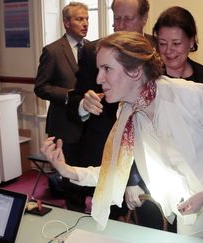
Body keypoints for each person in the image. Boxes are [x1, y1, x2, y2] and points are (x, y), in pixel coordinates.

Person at [41, 31, 203, 243]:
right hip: (192, 198)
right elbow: (116, 169)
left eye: (107, 68)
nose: (99, 79)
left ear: (135, 71)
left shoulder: (190, 96)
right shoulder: (128, 112)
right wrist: (65, 169)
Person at [65, 0, 155, 222]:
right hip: (108, 154)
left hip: (150, 159)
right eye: (117, 18)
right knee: (112, 225)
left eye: (128, 18)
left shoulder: (159, 49)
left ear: (144, 18)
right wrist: (83, 104)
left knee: (153, 225)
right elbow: (76, 97)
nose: (121, 25)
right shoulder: (92, 51)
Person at [34, 1, 89, 212]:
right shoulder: (53, 50)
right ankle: (75, 221)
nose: (85, 24)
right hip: (65, 127)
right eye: (79, 19)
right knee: (71, 182)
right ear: (66, 22)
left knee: (86, 175)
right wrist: (69, 96)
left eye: (87, 19)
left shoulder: (92, 49)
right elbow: (41, 87)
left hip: (89, 127)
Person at [152, 6, 203, 109]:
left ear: (191, 42)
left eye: (176, 43)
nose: (168, 50)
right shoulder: (151, 76)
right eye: (162, 43)